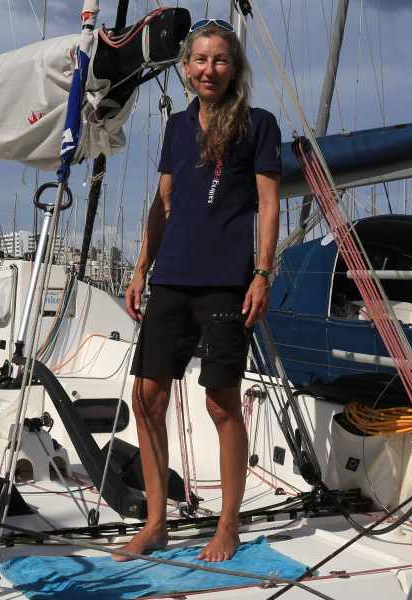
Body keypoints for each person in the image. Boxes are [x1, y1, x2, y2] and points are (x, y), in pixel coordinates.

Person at [117, 18, 281, 563]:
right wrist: (141, 268)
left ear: (234, 69)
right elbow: (162, 203)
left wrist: (262, 272)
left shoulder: (258, 125)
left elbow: (269, 203)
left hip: (225, 283)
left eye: (220, 60)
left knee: (220, 402)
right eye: (200, 60)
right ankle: (157, 521)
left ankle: (228, 523)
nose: (209, 69)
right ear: (186, 69)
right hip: (170, 278)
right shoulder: (177, 128)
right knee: (146, 398)